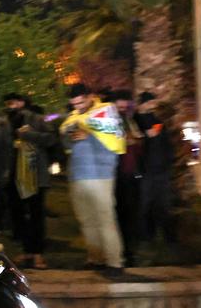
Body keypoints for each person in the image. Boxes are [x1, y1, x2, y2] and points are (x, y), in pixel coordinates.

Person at [60, 83, 126, 271]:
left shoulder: (106, 111)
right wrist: (70, 135)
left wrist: (88, 133)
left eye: (80, 102)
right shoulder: (72, 118)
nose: (77, 107)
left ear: (90, 96)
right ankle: (96, 259)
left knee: (105, 219)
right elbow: (66, 143)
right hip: (77, 175)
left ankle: (114, 263)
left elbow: (116, 139)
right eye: (74, 104)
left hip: (100, 174)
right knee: (86, 220)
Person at [0, 92, 57, 268]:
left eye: (14, 102)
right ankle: (26, 251)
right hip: (13, 175)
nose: (10, 105)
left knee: (36, 214)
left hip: (34, 175)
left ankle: (38, 253)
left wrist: (29, 135)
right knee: (18, 216)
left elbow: (51, 139)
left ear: (23, 103)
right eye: (8, 102)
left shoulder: (37, 119)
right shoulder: (4, 122)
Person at [133, 93, 177, 246]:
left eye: (153, 102)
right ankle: (145, 235)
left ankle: (167, 236)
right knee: (144, 204)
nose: (153, 105)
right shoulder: (135, 120)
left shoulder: (156, 120)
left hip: (161, 170)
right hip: (145, 170)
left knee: (163, 204)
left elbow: (163, 141)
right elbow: (141, 138)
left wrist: (168, 161)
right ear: (143, 104)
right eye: (150, 102)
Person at [112, 90, 144, 266]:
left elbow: (138, 143)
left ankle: (129, 251)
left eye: (125, 105)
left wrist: (135, 142)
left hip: (130, 174)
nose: (123, 108)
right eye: (120, 105)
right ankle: (121, 251)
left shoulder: (130, 120)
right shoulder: (111, 122)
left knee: (129, 214)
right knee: (119, 214)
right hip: (116, 174)